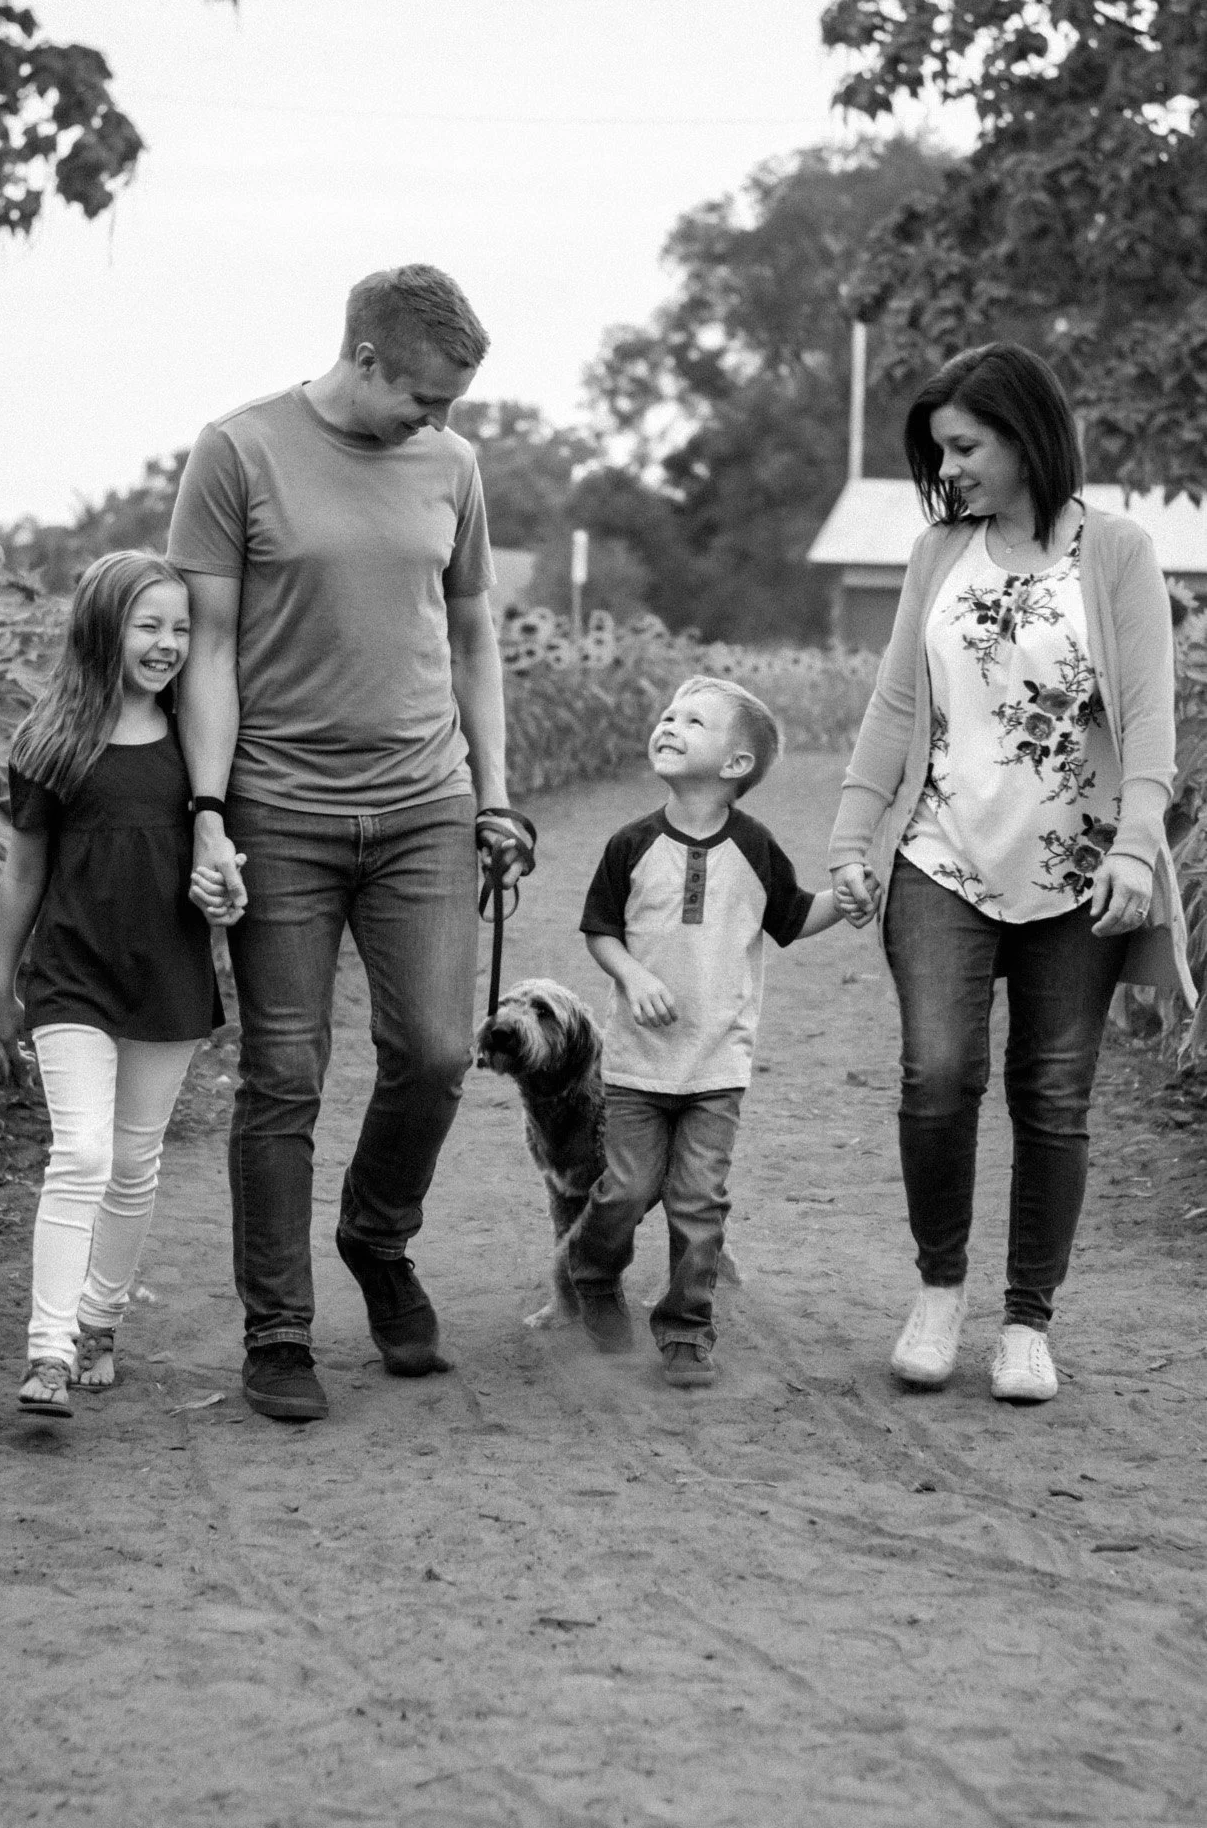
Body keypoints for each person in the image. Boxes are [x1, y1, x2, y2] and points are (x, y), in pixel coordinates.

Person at [168, 263, 531, 1424]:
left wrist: (496, 791)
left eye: (455, 402)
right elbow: (210, 645)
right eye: (425, 397)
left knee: (433, 1049)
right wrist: (211, 808)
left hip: (425, 802)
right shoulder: (237, 451)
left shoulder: (455, 466)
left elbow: (471, 629)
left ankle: (377, 1239)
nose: (443, 421)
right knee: (284, 1072)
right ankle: (277, 1326)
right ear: (365, 357)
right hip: (281, 805)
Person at [828, 343, 1196, 1405]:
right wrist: (853, 840)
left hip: (1080, 871)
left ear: (1026, 433)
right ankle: (939, 1290)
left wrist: (1136, 841)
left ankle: (1027, 1319)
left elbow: (1149, 721)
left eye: (967, 445)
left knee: (1054, 1093)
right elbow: (897, 706)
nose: (952, 468)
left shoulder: (1118, 552)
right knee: (937, 1076)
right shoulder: (939, 552)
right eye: (943, 449)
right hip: (940, 851)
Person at [0, 552, 240, 1418]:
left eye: (180, 628)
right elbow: (24, 872)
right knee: (82, 1155)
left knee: (133, 1164)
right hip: (71, 975)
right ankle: (48, 1351)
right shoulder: (50, 741)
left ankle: (100, 1322)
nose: (168, 644)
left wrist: (222, 886)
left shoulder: (194, 744)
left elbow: (216, 860)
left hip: (166, 969)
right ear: (103, 629)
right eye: (149, 625)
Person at [569, 676, 849, 1388]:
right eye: (667, 714)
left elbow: (790, 918)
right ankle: (594, 1274)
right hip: (636, 1062)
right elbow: (599, 931)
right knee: (626, 1192)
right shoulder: (628, 844)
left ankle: (686, 1327)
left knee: (698, 1202)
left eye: (693, 721)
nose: (669, 724)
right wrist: (633, 977)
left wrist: (843, 904)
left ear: (734, 767)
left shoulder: (753, 847)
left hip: (718, 1062)